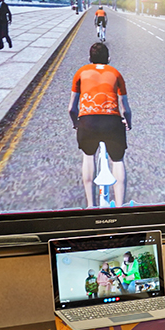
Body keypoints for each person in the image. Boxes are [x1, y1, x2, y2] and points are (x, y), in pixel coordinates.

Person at [68, 42, 132, 208]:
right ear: (108, 59)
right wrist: (128, 123)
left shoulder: (81, 73)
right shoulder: (116, 73)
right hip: (112, 122)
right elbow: (125, 108)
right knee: (118, 161)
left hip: (88, 122)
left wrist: (76, 124)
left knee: (88, 156)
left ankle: (91, 205)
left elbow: (71, 108)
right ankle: (120, 207)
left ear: (90, 58)